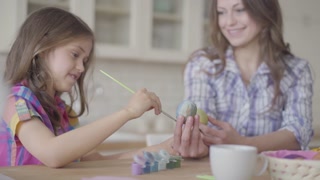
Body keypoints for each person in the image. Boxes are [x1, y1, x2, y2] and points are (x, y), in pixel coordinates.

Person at [0, 7, 163, 167]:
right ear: (43, 48)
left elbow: (97, 161)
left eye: (84, 60)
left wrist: (166, 148)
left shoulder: (64, 113)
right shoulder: (16, 102)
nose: (81, 68)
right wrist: (128, 112)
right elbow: (52, 154)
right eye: (75, 54)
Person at [171, 0, 314, 158]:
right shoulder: (203, 65)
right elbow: (201, 126)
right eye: (221, 12)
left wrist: (243, 143)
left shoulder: (296, 70)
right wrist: (197, 142)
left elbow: (299, 131)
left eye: (239, 10)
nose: (229, 22)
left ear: (265, 11)